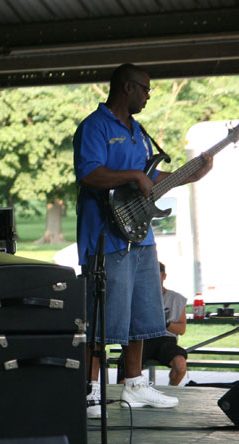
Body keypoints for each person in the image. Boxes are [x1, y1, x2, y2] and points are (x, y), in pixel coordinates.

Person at [73, 63, 212, 418]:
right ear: (127, 87)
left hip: (141, 236)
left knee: (141, 315)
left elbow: (150, 178)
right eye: (146, 89)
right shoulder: (95, 126)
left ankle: (134, 385)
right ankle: (90, 391)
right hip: (106, 237)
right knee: (102, 319)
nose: (149, 96)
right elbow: (89, 172)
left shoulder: (138, 131)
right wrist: (133, 174)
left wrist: (190, 173)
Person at [117, 262, 188, 386]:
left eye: (156, 275)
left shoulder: (177, 299)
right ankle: (126, 396)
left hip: (166, 340)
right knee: (126, 370)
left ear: (164, 276)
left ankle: (171, 391)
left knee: (180, 365)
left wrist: (165, 323)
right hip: (142, 338)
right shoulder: (135, 296)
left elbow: (181, 329)